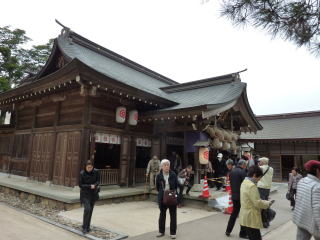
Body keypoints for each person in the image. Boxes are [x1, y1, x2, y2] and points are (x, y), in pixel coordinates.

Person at [239, 165, 273, 240]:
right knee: (256, 237)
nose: (259, 179)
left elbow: (252, 199)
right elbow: (257, 202)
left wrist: (263, 201)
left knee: (252, 236)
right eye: (259, 177)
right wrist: (267, 203)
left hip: (244, 215)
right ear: (254, 175)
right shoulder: (251, 186)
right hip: (251, 216)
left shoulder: (244, 182)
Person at [293, 160, 320, 240]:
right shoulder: (317, 186)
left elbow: (298, 200)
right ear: (317, 171)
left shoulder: (302, 181)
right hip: (313, 223)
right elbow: (318, 209)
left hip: (301, 219)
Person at [156, 159, 178, 239]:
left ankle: (173, 233)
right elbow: (157, 187)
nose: (166, 166)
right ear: (161, 167)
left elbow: (176, 185)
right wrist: (162, 193)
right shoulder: (159, 175)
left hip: (172, 196)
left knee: (173, 215)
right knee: (162, 215)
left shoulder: (173, 174)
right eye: (164, 165)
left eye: (167, 165)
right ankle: (161, 231)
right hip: (162, 197)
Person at [225, 159, 248, 238]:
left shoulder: (232, 172)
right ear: (243, 165)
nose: (246, 167)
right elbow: (245, 185)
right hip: (241, 196)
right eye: (245, 165)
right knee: (243, 214)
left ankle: (228, 230)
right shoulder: (243, 172)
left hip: (234, 196)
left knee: (234, 214)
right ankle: (242, 233)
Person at [79, 160, 100, 234]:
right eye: (88, 167)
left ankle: (87, 226)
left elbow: (98, 181)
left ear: (93, 167)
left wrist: (95, 185)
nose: (89, 169)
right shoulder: (82, 173)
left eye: (91, 167)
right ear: (85, 167)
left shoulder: (96, 172)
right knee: (87, 209)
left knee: (90, 210)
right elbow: (80, 185)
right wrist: (89, 186)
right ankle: (84, 227)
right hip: (85, 194)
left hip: (93, 194)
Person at [257, 157, 274, 228]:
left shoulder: (261, 168)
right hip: (268, 188)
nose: (259, 162)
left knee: (262, 205)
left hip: (261, 187)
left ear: (263, 162)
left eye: (260, 161)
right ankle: (266, 221)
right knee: (265, 204)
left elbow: (255, 174)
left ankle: (264, 222)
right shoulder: (271, 169)